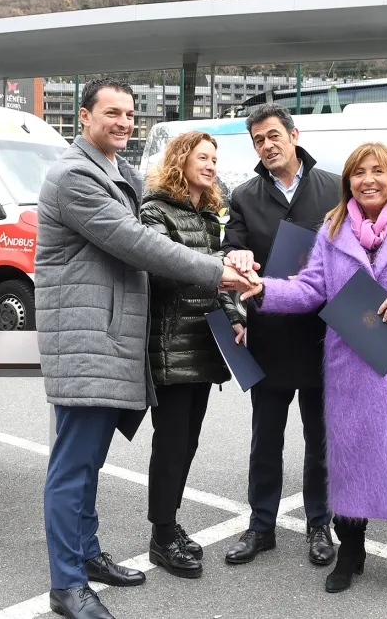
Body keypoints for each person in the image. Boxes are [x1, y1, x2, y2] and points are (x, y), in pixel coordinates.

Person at [35, 78, 257, 619]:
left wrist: (228, 263)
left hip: (108, 339)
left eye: (130, 114)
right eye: (111, 113)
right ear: (83, 118)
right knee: (73, 466)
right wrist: (220, 274)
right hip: (87, 338)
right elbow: (138, 243)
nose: (124, 122)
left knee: (88, 464)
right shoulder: (75, 177)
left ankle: (86, 556)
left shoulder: (119, 176)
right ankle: (66, 585)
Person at [242, 142, 387, 601]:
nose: (368, 180)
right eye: (359, 173)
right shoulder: (334, 227)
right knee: (351, 462)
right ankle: (351, 552)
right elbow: (311, 288)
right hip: (351, 367)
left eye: (377, 171)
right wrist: (263, 289)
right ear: (347, 182)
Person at [220, 103, 340, 567]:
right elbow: (233, 246)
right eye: (257, 140)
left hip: (323, 335)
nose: (266, 146)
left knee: (320, 439)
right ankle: (261, 526)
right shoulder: (245, 196)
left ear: (293, 135)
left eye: (273, 136)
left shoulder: (334, 188)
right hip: (267, 334)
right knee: (265, 438)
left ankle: (319, 526)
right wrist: (239, 258)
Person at [139, 131, 246, 579]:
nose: (211, 164)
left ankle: (169, 523)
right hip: (170, 345)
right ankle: (162, 535)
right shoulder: (154, 210)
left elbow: (218, 274)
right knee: (171, 443)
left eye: (214, 158)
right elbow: (164, 272)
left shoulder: (207, 214)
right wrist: (219, 277)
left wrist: (236, 315)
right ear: (180, 160)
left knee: (189, 442)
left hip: (204, 343)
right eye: (203, 157)